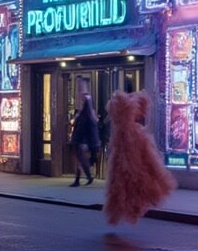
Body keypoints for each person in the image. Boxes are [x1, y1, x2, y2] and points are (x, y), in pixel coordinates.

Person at [103, 90, 177, 225]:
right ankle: (128, 207)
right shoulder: (128, 130)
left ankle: (128, 207)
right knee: (126, 180)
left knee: (128, 180)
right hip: (127, 151)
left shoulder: (129, 131)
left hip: (129, 150)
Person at [69, 91, 101, 186]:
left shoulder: (86, 115)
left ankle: (82, 178)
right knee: (80, 160)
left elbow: (85, 129)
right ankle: (84, 177)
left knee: (80, 159)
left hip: (83, 141)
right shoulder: (86, 114)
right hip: (82, 140)